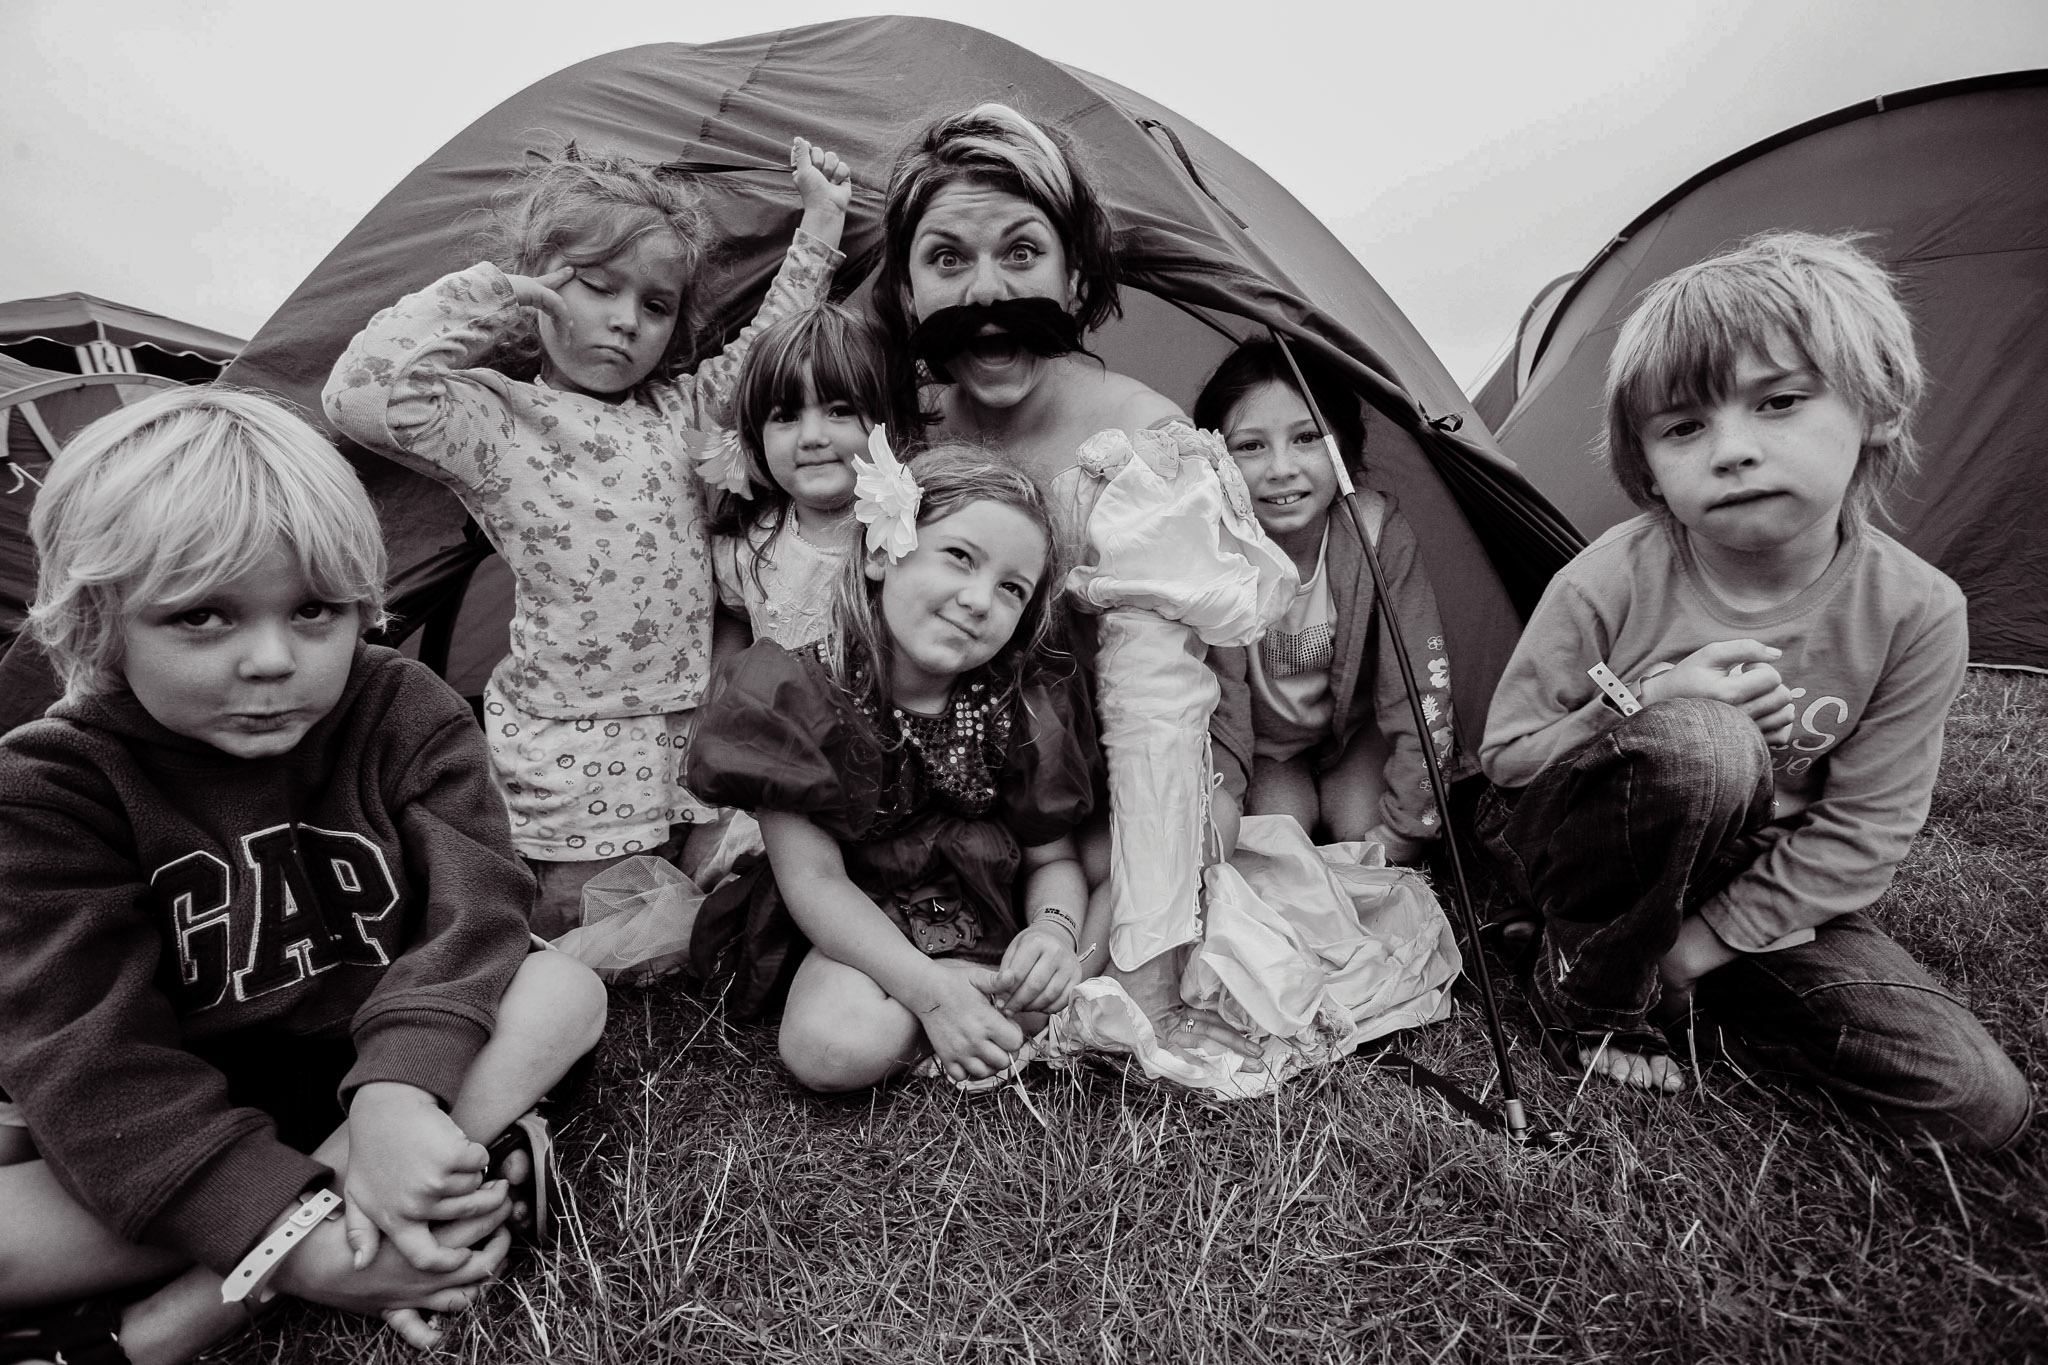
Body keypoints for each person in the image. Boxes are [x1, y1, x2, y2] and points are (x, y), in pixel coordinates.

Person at [0, 388, 608, 1365]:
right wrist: (301, 1241)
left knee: (562, 988)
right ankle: (440, 1183)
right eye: (202, 617)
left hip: (394, 1069)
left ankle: (167, 1328)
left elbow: (477, 902)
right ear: (98, 620)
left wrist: (399, 1094)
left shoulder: (396, 703)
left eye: (315, 610)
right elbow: (87, 1056)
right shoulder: (49, 786)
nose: (273, 658)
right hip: (198, 1113)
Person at [1476, 231, 2032, 1150]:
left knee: (1976, 1102)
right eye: (1684, 426)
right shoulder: (1606, 576)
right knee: (1706, 740)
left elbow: (1862, 832)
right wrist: (1646, 700)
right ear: (1646, 461)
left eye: (1778, 403)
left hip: (1743, 880)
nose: (1731, 450)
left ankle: (1639, 961)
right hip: (1587, 843)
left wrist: (1695, 946)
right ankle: (1590, 981)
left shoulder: (1918, 610)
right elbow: (1506, 762)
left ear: (1877, 406)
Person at [324, 139, 852, 938]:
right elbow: (361, 397)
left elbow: (768, 343)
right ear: (541, 282)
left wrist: (823, 219)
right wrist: (499, 293)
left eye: (655, 305)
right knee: (581, 912)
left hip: (686, 710)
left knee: (704, 880)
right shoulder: (500, 420)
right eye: (596, 287)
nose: (622, 321)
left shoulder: (679, 409)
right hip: (575, 725)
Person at [870, 103, 1297, 1054]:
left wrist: (1127, 933)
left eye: (1021, 253)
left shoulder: (1139, 445)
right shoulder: (907, 436)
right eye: (948, 260)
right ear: (905, 289)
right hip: (980, 765)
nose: (988, 290)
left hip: (1133, 763)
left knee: (1106, 883)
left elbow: (1170, 710)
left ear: (1074, 274)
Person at [684, 444, 1096, 1090]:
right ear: (882, 552)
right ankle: (952, 1004)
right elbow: (816, 881)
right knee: (827, 1047)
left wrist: (1053, 930)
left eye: (1012, 588)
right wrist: (929, 992)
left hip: (983, 916)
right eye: (960, 557)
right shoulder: (795, 697)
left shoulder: (1021, 702)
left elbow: (1054, 860)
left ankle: (975, 996)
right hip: (853, 928)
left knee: (1052, 982)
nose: (980, 598)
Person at [1193, 339, 1461, 862]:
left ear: (1347, 449)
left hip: (1355, 732)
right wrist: (1221, 808)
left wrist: (1409, 824)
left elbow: (1418, 684)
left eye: (1307, 438)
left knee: (1367, 835)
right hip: (1265, 748)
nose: (1282, 468)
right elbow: (1216, 704)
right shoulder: (1212, 554)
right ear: (1214, 463)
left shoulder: (1377, 533)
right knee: (1276, 838)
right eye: (1250, 446)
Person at [703, 303, 894, 650]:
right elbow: (735, 616)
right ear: (756, 436)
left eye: (840, 411)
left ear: (886, 421)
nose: (811, 437)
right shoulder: (748, 543)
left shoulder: (907, 536)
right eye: (786, 416)